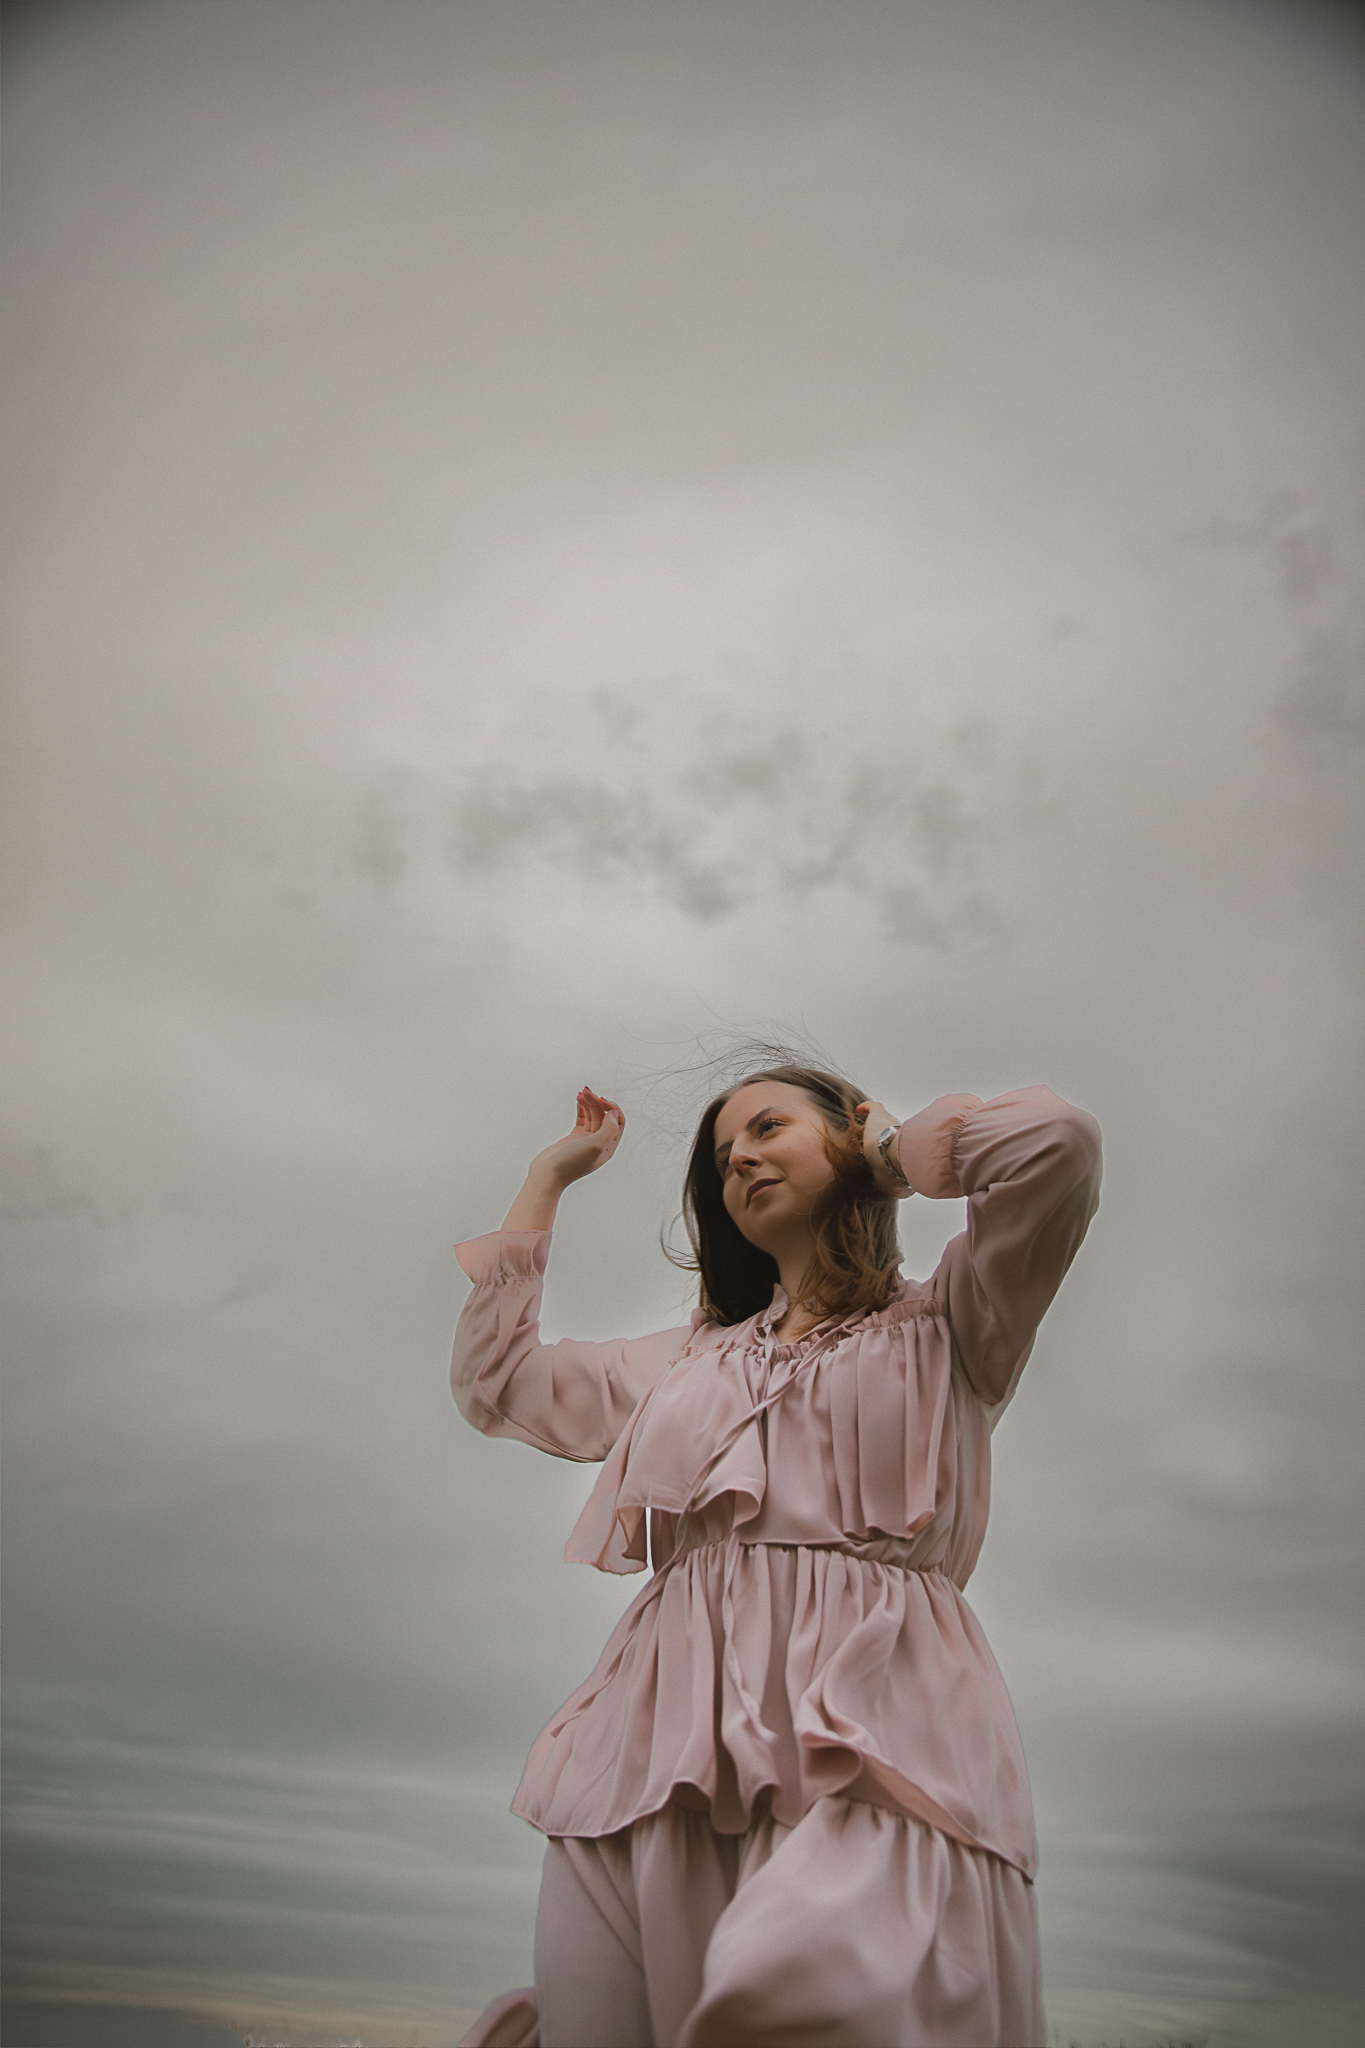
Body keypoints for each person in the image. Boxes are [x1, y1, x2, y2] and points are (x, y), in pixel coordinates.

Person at [450, 1058, 1102, 2048]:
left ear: (848, 1133)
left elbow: (1056, 1144)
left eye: (767, 1128)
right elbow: (496, 1380)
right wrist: (550, 1175)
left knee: (812, 2004)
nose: (740, 1161)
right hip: (653, 1751)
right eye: (722, 1158)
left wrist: (894, 1155)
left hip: (874, 1747)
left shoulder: (957, 1321)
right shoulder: (689, 1358)